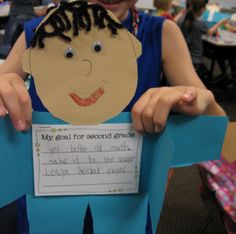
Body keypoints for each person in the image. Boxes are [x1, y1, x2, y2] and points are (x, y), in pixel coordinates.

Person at [0, 0, 226, 234]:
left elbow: (218, 130)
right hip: (48, 204)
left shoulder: (161, 34)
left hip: (125, 208)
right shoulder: (40, 32)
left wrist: (197, 99)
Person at [177, 0, 228, 86]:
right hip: (196, 62)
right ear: (201, 10)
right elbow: (209, 32)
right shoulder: (199, 23)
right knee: (207, 80)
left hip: (183, 58)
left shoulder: (181, 20)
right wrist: (221, 22)